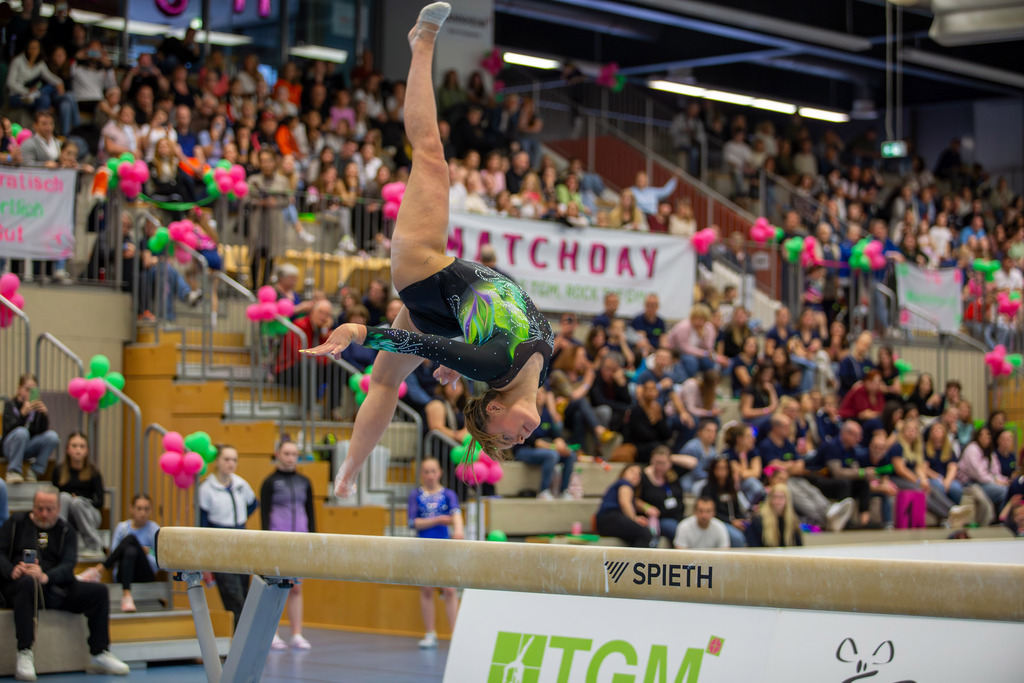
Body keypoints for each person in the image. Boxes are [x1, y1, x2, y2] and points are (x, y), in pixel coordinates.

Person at [303, 4, 554, 498]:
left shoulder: (492, 366)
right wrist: (458, 352)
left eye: (504, 436)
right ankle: (348, 472)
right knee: (383, 386)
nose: (518, 439)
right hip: (441, 308)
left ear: (495, 408)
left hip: (423, 267)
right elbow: (484, 325)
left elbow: (419, 347)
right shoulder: (543, 363)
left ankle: (421, 42)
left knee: (432, 157)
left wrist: (358, 330)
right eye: (515, 442)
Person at [0, 487, 130, 679]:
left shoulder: (66, 530)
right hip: (19, 586)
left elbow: (68, 565)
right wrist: (12, 570)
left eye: (49, 509)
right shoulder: (16, 523)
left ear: (58, 508)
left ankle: (99, 653)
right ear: (33, 507)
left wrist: (46, 576)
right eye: (39, 508)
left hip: (53, 586)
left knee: (99, 592)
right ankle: (25, 651)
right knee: (28, 583)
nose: (44, 514)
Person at [261, 436, 315, 650]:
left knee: (296, 588)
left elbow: (311, 513)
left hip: (300, 540)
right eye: (287, 454)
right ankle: (273, 633)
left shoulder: (305, 482)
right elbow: (264, 514)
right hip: (278, 540)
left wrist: (314, 539)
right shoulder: (270, 482)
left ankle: (297, 633)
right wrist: (266, 540)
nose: (291, 458)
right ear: (277, 455)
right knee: (275, 587)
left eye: (294, 454)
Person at [197, 445, 258, 628]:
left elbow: (253, 504)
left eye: (234, 460)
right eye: (226, 459)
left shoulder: (240, 484)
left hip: (241, 540)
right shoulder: (207, 488)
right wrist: (206, 561)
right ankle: (237, 649)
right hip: (220, 544)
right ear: (217, 461)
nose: (231, 463)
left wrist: (239, 519)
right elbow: (202, 524)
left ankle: (246, 643)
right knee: (234, 598)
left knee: (246, 596)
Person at [407, 456, 462, 649]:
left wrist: (458, 531)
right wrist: (438, 519)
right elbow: (414, 523)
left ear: (440, 473)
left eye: (433, 471)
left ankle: (455, 634)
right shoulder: (416, 495)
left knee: (449, 589)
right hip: (424, 547)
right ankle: (430, 632)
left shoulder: (448, 494)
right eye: (426, 472)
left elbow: (456, 514)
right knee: (427, 589)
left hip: (444, 546)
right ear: (422, 474)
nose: (430, 475)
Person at [76, 494, 160, 613]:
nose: (142, 512)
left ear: (150, 510)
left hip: (145, 573)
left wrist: (146, 554)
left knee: (131, 539)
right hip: (124, 571)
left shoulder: (154, 529)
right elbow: (115, 554)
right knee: (130, 550)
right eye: (139, 508)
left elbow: (159, 563)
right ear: (132, 509)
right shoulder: (122, 527)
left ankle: (98, 570)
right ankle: (126, 595)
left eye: (146, 509)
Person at [512, 387, 576, 500]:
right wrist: (554, 447)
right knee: (552, 455)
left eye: (543, 392)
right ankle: (543, 491)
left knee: (570, 455)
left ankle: (564, 491)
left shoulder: (546, 414)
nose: (540, 395)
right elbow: (533, 441)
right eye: (537, 392)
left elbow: (554, 434)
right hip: (524, 449)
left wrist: (560, 443)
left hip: (543, 448)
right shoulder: (525, 413)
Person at [3, 373, 60, 484]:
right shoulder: (10, 404)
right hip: (10, 446)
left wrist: (44, 415)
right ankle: (14, 470)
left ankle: (35, 471)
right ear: (19, 389)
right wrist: (23, 415)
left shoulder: (36, 407)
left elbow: (41, 433)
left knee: (53, 437)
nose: (30, 392)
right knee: (22, 432)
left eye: (33, 390)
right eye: (27, 389)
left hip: (28, 445)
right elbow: (8, 430)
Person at [53, 431, 104, 553]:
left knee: (77, 503)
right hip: (67, 514)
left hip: (89, 514)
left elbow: (100, 502)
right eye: (74, 446)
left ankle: (94, 544)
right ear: (67, 449)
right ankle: (60, 539)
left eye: (82, 446)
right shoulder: (59, 470)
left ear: (86, 451)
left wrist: (82, 500)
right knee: (64, 497)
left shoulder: (94, 472)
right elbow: (54, 497)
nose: (78, 450)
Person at [595, 464, 655, 548]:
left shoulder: (625, 488)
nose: (635, 476)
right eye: (632, 472)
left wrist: (647, 508)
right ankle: (633, 560)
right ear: (623, 473)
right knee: (644, 533)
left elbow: (636, 502)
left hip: (607, 521)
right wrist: (634, 519)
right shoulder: (624, 483)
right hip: (610, 519)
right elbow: (625, 502)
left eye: (639, 475)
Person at [635, 446, 686, 543]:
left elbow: (693, 463)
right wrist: (646, 507)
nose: (659, 466)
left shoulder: (672, 477)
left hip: (677, 515)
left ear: (669, 463)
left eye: (663, 463)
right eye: (656, 462)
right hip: (658, 519)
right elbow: (633, 498)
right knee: (675, 529)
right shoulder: (643, 477)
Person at [701, 457, 748, 547]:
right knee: (737, 538)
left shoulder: (731, 487)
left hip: (733, 521)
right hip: (718, 522)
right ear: (713, 470)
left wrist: (742, 519)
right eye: (718, 468)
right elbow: (710, 512)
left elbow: (737, 508)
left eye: (724, 468)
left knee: (751, 529)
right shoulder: (708, 488)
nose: (721, 472)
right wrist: (731, 522)